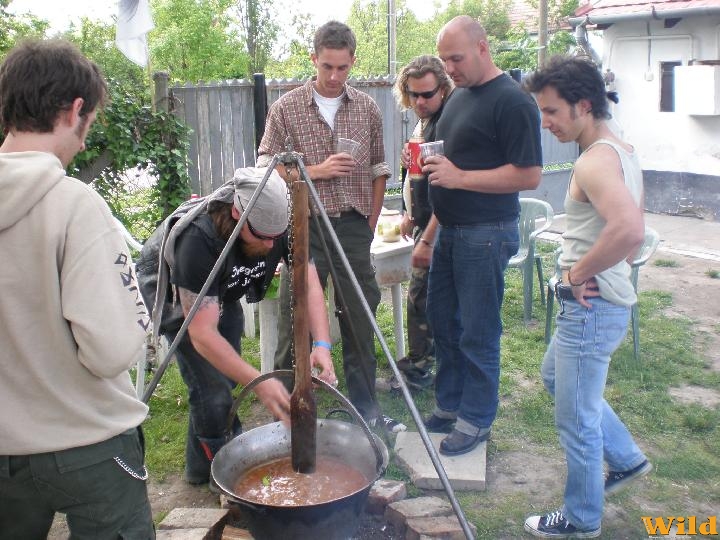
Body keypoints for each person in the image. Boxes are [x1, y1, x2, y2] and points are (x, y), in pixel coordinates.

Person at [0, 40, 155, 538]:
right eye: (87, 126)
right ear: (75, 110)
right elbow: (110, 350)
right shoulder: (75, 207)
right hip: (90, 446)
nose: (85, 142)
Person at [137, 168, 337, 488]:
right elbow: (202, 335)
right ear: (236, 213)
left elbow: (308, 283)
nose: (271, 244)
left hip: (224, 289)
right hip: (177, 292)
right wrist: (259, 382)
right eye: (261, 236)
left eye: (277, 235)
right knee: (214, 391)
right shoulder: (198, 240)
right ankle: (224, 474)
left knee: (224, 378)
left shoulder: (279, 220)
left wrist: (323, 345)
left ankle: (199, 468)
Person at [522, 55, 649, 539]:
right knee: (556, 376)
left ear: (584, 104)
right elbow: (633, 231)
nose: (546, 122)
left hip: (589, 308)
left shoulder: (595, 160)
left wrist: (577, 273)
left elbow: (630, 228)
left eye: (552, 112)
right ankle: (627, 460)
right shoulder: (621, 149)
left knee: (576, 420)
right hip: (604, 304)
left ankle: (580, 520)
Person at [257, 21, 405, 432]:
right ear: (314, 60)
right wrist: (316, 170)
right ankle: (290, 411)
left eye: (342, 68)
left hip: (354, 226)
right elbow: (266, 169)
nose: (335, 76)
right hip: (304, 227)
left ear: (352, 61)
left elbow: (380, 168)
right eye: (327, 67)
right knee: (297, 317)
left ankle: (364, 410)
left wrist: (371, 219)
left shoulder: (368, 109)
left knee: (360, 315)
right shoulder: (285, 108)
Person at [421, 15, 543, 456]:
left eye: (456, 58)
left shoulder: (513, 102)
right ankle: (450, 406)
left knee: (477, 330)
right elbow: (457, 160)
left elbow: (529, 175)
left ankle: (476, 419)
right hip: (452, 230)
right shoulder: (459, 98)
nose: (449, 67)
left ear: (483, 47)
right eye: (445, 59)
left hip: (486, 232)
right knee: (443, 323)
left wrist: (460, 177)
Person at [384, 54, 453, 391]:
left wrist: (428, 237)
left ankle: (420, 369)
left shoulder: (448, 123)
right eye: (414, 95)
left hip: (440, 229)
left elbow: (450, 191)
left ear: (443, 88)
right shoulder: (422, 124)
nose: (420, 102)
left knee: (420, 298)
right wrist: (409, 212)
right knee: (424, 297)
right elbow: (418, 177)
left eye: (428, 94)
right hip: (422, 221)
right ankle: (424, 364)